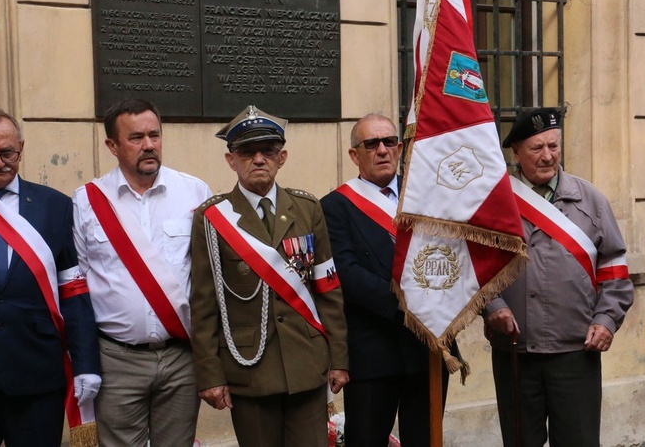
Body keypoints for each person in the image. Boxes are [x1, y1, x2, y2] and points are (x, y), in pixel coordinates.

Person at [190, 105, 349, 447]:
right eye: (247, 151)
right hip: (249, 365)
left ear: (282, 158)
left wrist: (339, 358)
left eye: (268, 151)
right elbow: (203, 304)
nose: (258, 158)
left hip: (306, 362)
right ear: (231, 160)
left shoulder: (307, 209)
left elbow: (328, 289)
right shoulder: (212, 218)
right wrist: (210, 375)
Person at [484, 107, 634, 447]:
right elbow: (475, 266)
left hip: (576, 350)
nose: (548, 156)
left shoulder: (591, 200)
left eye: (554, 146)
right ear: (516, 151)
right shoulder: (495, 203)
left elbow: (614, 269)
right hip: (514, 352)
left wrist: (607, 319)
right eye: (537, 148)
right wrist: (492, 305)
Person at [72, 98, 211, 446]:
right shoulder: (87, 201)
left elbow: (209, 277)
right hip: (117, 359)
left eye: (154, 135)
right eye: (135, 137)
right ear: (112, 146)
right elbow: (80, 286)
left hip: (181, 356)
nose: (149, 145)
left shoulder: (194, 192)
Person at [320, 113, 450, 446]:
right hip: (372, 352)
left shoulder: (429, 196)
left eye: (390, 141)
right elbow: (346, 273)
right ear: (354, 155)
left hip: (427, 348)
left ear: (400, 147)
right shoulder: (334, 206)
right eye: (371, 143)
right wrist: (410, 304)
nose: (382, 150)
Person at [0, 108, 101, 446]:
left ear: (21, 149)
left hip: (37, 374)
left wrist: (85, 363)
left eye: (6, 152)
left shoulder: (55, 206)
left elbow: (73, 291)